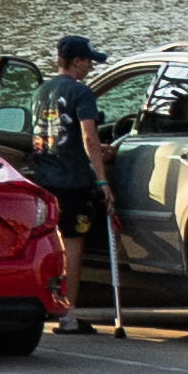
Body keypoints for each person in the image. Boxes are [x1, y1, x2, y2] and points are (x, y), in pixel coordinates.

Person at [34, 31, 125, 325]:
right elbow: (88, 135)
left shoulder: (41, 92)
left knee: (51, 246)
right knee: (72, 247)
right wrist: (102, 181)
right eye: (89, 62)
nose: (91, 68)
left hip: (45, 180)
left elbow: (54, 134)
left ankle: (47, 304)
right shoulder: (80, 92)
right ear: (76, 61)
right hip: (73, 182)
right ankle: (68, 314)